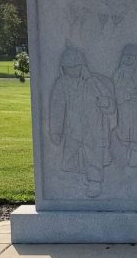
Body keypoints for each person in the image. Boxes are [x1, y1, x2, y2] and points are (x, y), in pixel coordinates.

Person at [49, 47, 116, 198]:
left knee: (94, 157)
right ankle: (78, 181)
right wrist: (56, 131)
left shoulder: (94, 82)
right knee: (72, 158)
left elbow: (110, 106)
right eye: (69, 68)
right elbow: (57, 109)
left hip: (94, 129)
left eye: (75, 67)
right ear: (63, 69)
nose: (72, 71)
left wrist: (106, 103)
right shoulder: (62, 84)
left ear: (82, 66)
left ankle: (95, 182)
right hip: (73, 129)